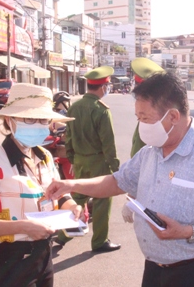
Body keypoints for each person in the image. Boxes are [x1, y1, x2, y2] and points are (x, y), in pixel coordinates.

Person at [46, 72, 194, 286]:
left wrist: (187, 231)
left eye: (145, 118)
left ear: (172, 116)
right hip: (155, 268)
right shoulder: (151, 152)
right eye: (138, 118)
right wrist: (70, 184)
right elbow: (117, 181)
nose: (141, 125)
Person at [0, 83, 83, 287]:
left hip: (44, 255)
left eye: (43, 120)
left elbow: (59, 194)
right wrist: (24, 227)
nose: (38, 125)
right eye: (30, 119)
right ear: (9, 121)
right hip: (11, 260)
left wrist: (72, 207)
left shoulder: (45, 155)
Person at [54, 66, 121, 253]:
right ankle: (99, 241)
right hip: (99, 163)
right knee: (101, 202)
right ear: (103, 87)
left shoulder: (74, 107)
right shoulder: (101, 110)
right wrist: (116, 169)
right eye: (107, 85)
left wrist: (73, 160)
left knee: (77, 199)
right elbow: (108, 144)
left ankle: (62, 235)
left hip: (80, 162)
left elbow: (69, 138)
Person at [122, 58, 165, 224]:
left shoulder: (152, 123)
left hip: (151, 195)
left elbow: (144, 165)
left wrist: (131, 198)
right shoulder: (153, 117)